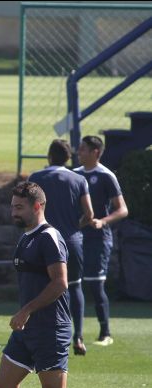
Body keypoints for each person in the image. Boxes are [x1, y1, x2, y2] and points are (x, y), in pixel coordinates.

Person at [0, 181, 80, 388]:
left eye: (19, 207)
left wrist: (27, 309)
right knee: (4, 386)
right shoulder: (26, 237)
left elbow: (60, 282)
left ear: (37, 206)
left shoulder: (49, 237)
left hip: (50, 327)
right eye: (12, 207)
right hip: (27, 328)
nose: (13, 212)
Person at [28, 140, 93, 356]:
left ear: (49, 157)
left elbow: (28, 210)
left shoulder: (36, 179)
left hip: (42, 242)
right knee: (73, 286)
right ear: (68, 158)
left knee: (40, 288)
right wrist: (76, 225)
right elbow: (89, 214)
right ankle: (79, 337)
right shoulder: (79, 179)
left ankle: (38, 336)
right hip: (71, 241)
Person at [75, 135, 128, 346]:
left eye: (83, 149)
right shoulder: (75, 175)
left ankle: (105, 333)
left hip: (98, 238)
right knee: (69, 284)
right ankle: (68, 331)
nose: (79, 153)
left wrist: (103, 221)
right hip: (76, 237)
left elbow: (122, 209)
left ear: (95, 152)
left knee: (96, 286)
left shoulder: (106, 176)